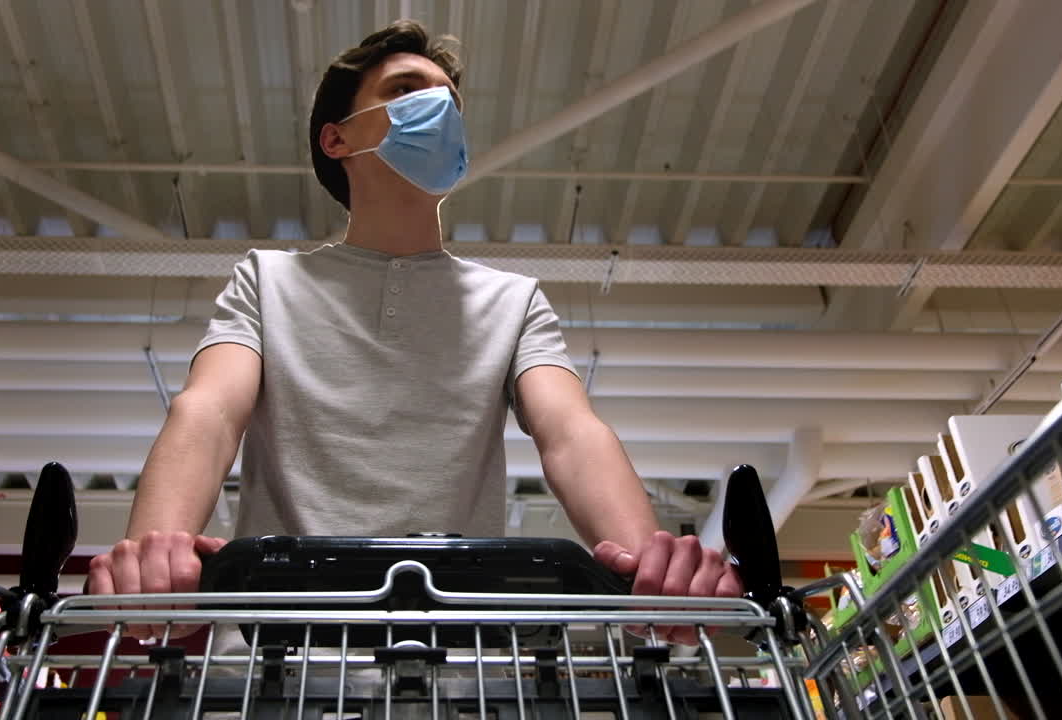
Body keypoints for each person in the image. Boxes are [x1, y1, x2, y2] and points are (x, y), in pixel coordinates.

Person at [87, 20, 742, 645]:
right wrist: (155, 556)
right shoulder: (267, 280)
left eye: (448, 99)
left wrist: (647, 570)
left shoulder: (512, 302)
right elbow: (208, 413)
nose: (438, 108)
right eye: (405, 90)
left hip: (464, 661)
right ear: (336, 139)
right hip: (280, 657)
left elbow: (571, 434)